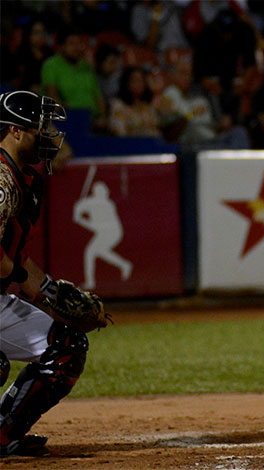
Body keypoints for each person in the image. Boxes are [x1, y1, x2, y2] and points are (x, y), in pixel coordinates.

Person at [0, 90, 96, 457]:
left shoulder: (24, 179)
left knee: (67, 345)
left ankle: (3, 433)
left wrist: (56, 296)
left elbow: (16, 257)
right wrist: (24, 278)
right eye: (40, 127)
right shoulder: (1, 180)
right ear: (15, 131)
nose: (50, 135)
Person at [40, 27, 106, 129]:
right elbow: (52, 97)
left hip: (94, 123)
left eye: (79, 43)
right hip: (67, 122)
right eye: (72, 44)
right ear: (61, 46)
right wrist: (72, 116)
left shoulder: (86, 66)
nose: (77, 47)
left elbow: (99, 98)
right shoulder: (51, 65)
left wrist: (102, 117)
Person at [108, 66, 163, 138]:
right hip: (129, 146)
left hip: (152, 146)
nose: (139, 84)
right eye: (135, 80)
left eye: (142, 80)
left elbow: (157, 130)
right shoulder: (118, 105)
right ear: (126, 83)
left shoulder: (149, 106)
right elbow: (120, 133)